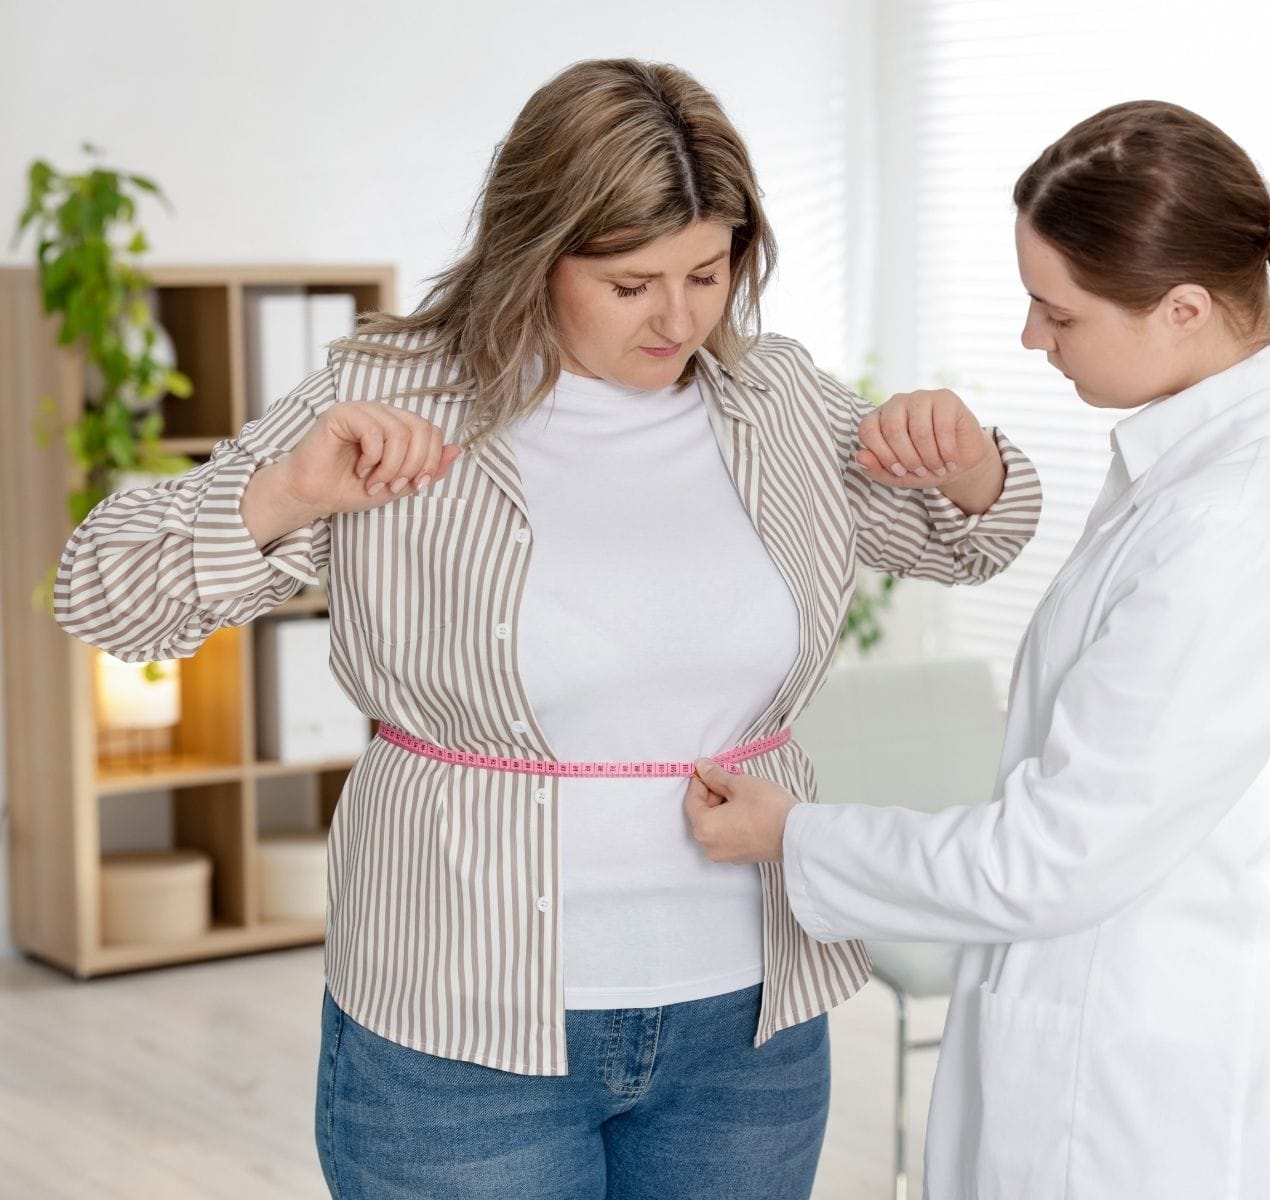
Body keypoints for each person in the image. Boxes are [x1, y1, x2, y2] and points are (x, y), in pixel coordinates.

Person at [52, 59, 1042, 1199]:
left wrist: (967, 465)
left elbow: (973, 540)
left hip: (749, 1023)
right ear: (535, 253)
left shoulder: (774, 401)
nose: (679, 318)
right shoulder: (393, 398)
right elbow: (103, 591)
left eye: (708, 272)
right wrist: (284, 496)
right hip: (462, 1030)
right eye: (631, 284)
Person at [686, 99, 1270, 1200]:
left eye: (1056, 314)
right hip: (1130, 1044)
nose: (1031, 339)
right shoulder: (1214, 464)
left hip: (1149, 1103)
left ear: (1186, 308)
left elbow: (1049, 858)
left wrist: (798, 838)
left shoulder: (1236, 523)